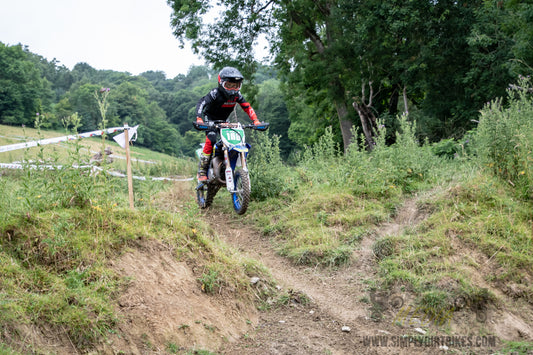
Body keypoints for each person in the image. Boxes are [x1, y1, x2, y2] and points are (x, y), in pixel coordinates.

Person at [195, 66, 261, 182]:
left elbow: (247, 107)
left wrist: (255, 121)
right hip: (210, 118)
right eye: (229, 85)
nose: (232, 89)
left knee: (233, 140)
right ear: (221, 83)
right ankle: (202, 170)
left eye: (236, 86)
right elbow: (202, 103)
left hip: (224, 121)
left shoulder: (237, 96)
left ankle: (224, 165)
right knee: (211, 139)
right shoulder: (215, 93)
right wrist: (199, 118)